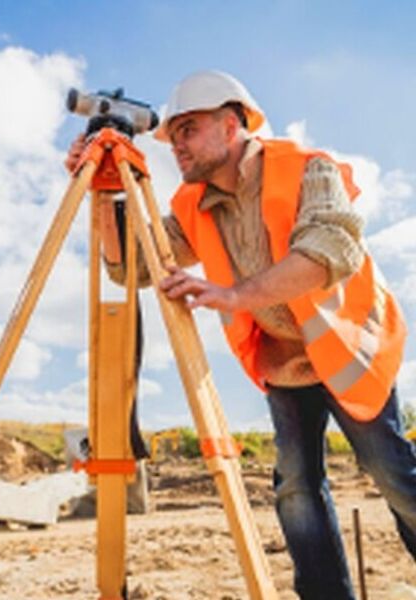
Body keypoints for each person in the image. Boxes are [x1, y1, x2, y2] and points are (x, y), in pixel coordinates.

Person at [66, 70, 416, 599]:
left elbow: (331, 251)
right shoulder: (192, 204)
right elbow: (130, 268)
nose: (177, 145)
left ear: (232, 125)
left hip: (349, 349)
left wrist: (235, 294)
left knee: (390, 473)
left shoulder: (308, 169)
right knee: (295, 488)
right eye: (173, 134)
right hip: (284, 362)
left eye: (190, 130)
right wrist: (103, 196)